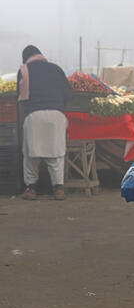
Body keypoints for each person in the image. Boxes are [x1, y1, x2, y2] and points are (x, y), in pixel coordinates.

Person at [17, 45, 72, 200]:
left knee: (30, 154)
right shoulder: (56, 69)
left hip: (34, 115)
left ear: (25, 57)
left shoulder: (23, 70)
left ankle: (31, 189)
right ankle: (58, 189)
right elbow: (68, 93)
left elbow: (21, 97)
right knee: (56, 155)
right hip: (57, 115)